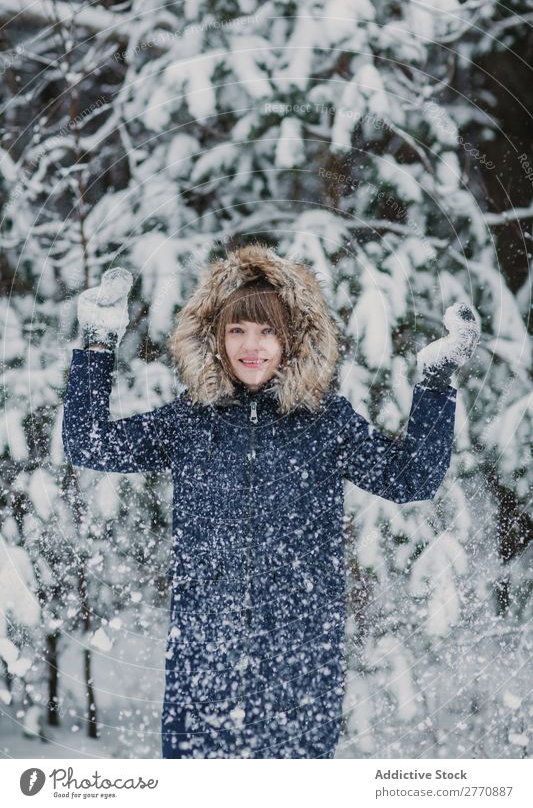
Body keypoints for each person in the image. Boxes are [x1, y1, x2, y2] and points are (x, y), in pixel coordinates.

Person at [62, 243, 480, 759]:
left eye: (266, 330)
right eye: (236, 329)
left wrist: (435, 383)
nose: (251, 345)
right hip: (203, 668)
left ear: (292, 339)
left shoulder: (324, 423)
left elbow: (410, 478)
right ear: (215, 339)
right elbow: (89, 443)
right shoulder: (191, 421)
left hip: (300, 671)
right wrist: (97, 343)